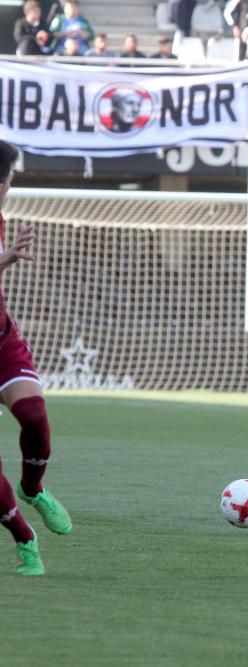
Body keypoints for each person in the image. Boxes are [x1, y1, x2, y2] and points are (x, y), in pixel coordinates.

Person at [0, 140, 74, 575]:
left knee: (34, 415)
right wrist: (6, 260)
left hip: (2, 339)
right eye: (9, 181)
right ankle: (25, 539)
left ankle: (33, 487)